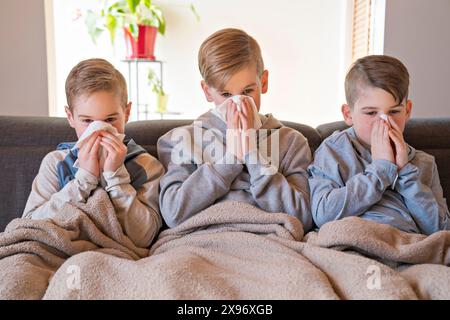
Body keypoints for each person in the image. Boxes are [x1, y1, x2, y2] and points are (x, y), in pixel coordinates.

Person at [157, 28, 313, 231]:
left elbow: (303, 217)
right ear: (207, 92)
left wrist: (251, 154)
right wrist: (229, 160)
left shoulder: (292, 142)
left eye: (248, 91)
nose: (238, 103)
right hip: (200, 242)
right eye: (226, 94)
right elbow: (173, 213)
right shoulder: (183, 140)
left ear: (263, 82)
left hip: (268, 240)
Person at [23, 58, 164, 247]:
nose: (99, 130)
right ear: (70, 117)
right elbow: (28, 226)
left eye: (111, 119)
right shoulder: (55, 162)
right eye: (87, 121)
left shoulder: (147, 165)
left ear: (127, 112)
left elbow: (144, 238)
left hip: (117, 255)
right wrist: (83, 180)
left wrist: (116, 177)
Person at [308, 55, 450, 235]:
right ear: (348, 114)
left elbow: (441, 230)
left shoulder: (424, 163)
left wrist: (405, 172)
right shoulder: (334, 150)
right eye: (371, 113)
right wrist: (380, 170)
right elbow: (323, 214)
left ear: (407, 111)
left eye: (394, 111)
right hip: (357, 240)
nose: (384, 122)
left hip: (409, 245)